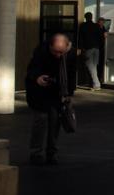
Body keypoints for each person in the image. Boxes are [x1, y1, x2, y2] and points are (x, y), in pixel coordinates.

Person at [25, 33, 77, 165]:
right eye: (55, 52)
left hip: (58, 91)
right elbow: (32, 69)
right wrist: (38, 77)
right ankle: (36, 153)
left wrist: (69, 93)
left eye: (61, 52)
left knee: (55, 123)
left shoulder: (70, 54)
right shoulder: (41, 50)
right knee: (40, 120)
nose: (58, 55)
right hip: (39, 91)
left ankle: (51, 153)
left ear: (67, 47)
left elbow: (71, 73)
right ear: (50, 46)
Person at [77, 11, 103, 91]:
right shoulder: (96, 26)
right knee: (94, 66)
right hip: (97, 49)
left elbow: (80, 38)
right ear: (91, 17)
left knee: (90, 66)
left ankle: (96, 84)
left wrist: (80, 48)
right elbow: (101, 37)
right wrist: (100, 47)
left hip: (88, 48)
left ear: (85, 17)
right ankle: (94, 84)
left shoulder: (83, 26)